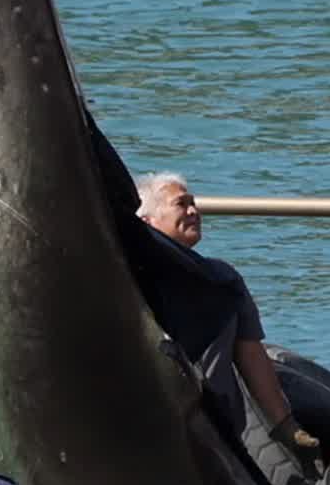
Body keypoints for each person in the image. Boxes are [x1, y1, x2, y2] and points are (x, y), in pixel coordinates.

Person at [133, 172, 317, 455]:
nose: (194, 211)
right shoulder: (130, 279)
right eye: (181, 204)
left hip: (218, 428)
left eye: (194, 203)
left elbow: (251, 355)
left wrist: (285, 425)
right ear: (148, 221)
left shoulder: (224, 279)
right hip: (151, 421)